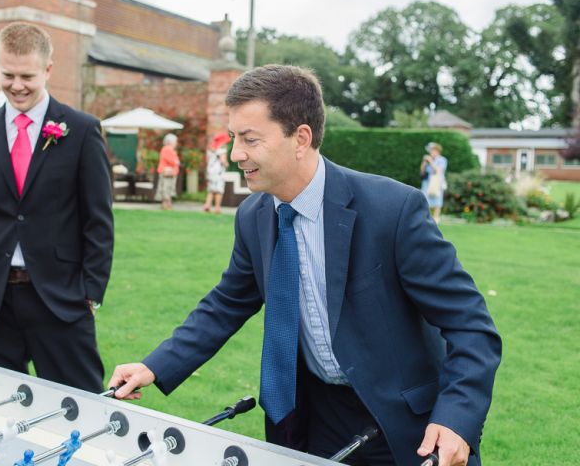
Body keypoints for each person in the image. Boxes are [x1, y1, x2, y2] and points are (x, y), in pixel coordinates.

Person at [109, 65, 501, 466]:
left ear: (301, 138)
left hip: (406, 427)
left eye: (250, 139)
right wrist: (155, 366)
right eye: (233, 138)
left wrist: (456, 420)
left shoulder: (392, 210)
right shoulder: (252, 216)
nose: (235, 154)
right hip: (315, 420)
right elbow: (226, 303)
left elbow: (471, 326)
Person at [0, 22, 114, 392]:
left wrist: (90, 294)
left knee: (80, 409)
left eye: (27, 76)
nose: (17, 85)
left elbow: (98, 222)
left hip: (60, 299)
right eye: (8, 74)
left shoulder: (81, 131)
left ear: (48, 70)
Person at [203, 131, 231, 214]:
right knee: (219, 190)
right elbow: (223, 160)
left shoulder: (210, 149)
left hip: (210, 172)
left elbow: (207, 161)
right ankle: (217, 208)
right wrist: (226, 165)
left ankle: (207, 205)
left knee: (211, 190)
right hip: (218, 173)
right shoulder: (222, 150)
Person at [420, 142, 448, 224]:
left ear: (437, 151)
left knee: (437, 201)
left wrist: (431, 161)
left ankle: (436, 219)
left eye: (433, 151)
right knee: (425, 200)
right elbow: (422, 171)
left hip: (436, 182)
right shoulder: (428, 159)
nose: (431, 152)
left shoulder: (442, 160)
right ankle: (426, 218)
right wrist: (424, 162)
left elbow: (438, 171)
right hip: (427, 183)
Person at [155, 133, 180, 210]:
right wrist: (176, 162)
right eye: (175, 141)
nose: (176, 143)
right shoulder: (167, 149)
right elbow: (171, 160)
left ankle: (167, 205)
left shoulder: (169, 149)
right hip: (167, 173)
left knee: (167, 188)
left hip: (169, 173)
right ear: (170, 142)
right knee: (166, 188)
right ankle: (167, 205)